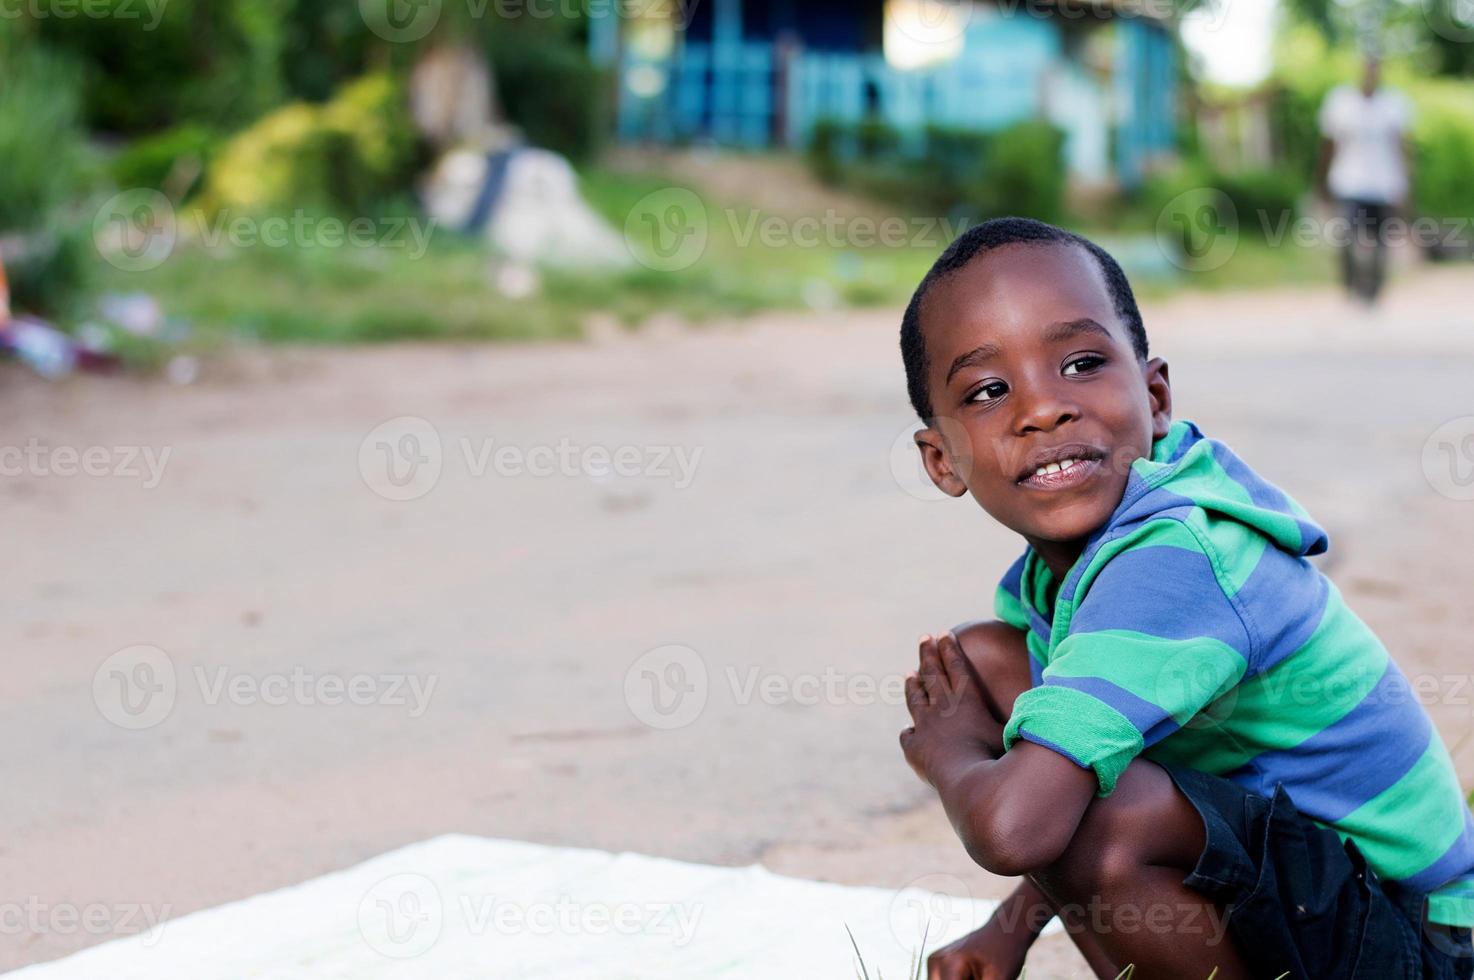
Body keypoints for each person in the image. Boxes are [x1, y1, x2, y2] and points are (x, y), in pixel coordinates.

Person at [895, 216, 1474, 979]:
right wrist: (1009, 931)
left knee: (1092, 819)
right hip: (1322, 896)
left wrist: (949, 753)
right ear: (942, 460)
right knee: (991, 664)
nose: (1042, 409)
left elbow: (1015, 830)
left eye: (1081, 362)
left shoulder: (1178, 561)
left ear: (1155, 394)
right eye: (990, 390)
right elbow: (1082, 769)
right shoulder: (1063, 579)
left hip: (1423, 941)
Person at [1315, 55, 1415, 304]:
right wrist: (1321, 182)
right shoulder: (1341, 102)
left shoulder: (1394, 104)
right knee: (1348, 236)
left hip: (1384, 184)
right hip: (1349, 182)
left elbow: (1402, 147)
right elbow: (1329, 145)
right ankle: (1350, 285)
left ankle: (1374, 290)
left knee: (1381, 243)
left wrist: (1405, 184)